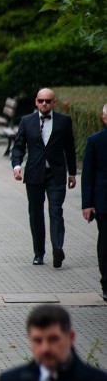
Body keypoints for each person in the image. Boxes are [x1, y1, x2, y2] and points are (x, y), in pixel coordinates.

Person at [11, 88, 77, 267]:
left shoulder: (64, 121)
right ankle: (39, 253)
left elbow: (70, 148)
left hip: (56, 173)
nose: (44, 104)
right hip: (34, 174)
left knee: (56, 211)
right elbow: (18, 147)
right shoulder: (27, 121)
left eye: (48, 101)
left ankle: (57, 248)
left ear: (54, 102)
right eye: (41, 101)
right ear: (36, 102)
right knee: (36, 213)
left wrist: (72, 172)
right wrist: (17, 166)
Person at [81, 105, 107, 301]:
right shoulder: (95, 141)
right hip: (103, 201)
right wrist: (87, 204)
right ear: (104, 118)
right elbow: (87, 175)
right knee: (105, 241)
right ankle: (106, 282)